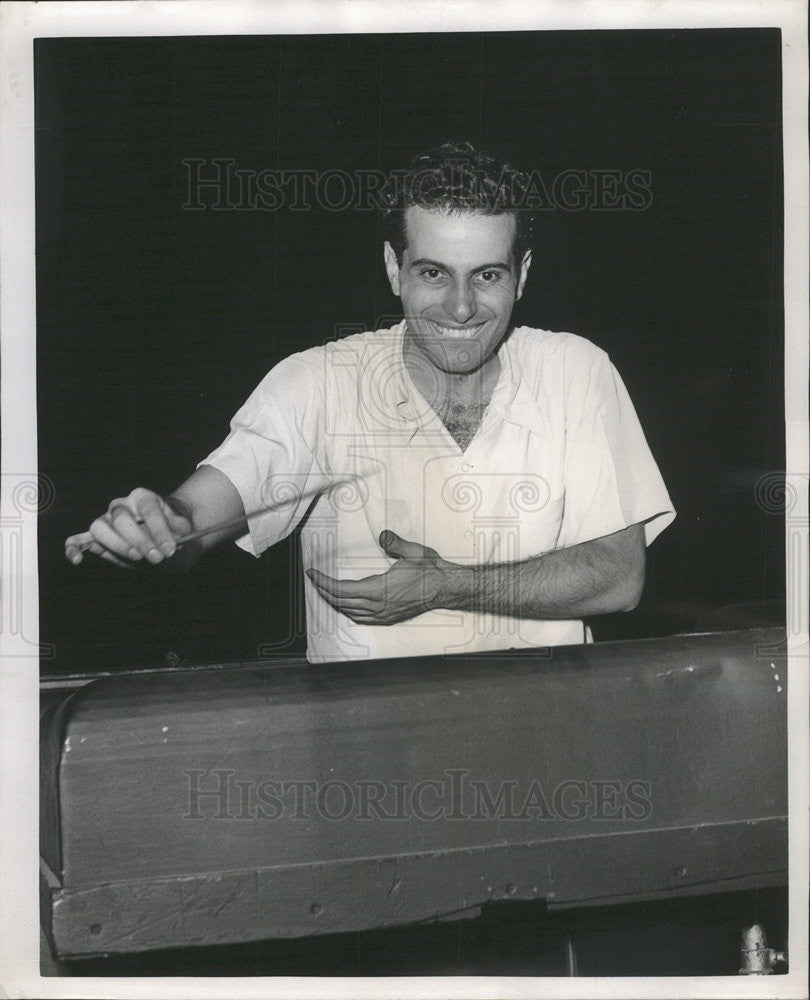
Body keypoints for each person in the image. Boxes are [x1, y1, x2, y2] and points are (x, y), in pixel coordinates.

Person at [65, 141, 675, 662]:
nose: (461, 307)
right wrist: (154, 525)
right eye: (433, 273)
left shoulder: (575, 371)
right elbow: (198, 519)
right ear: (393, 267)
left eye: (487, 275)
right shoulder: (318, 382)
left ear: (524, 273)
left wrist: (445, 585)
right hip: (365, 754)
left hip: (547, 740)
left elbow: (619, 578)